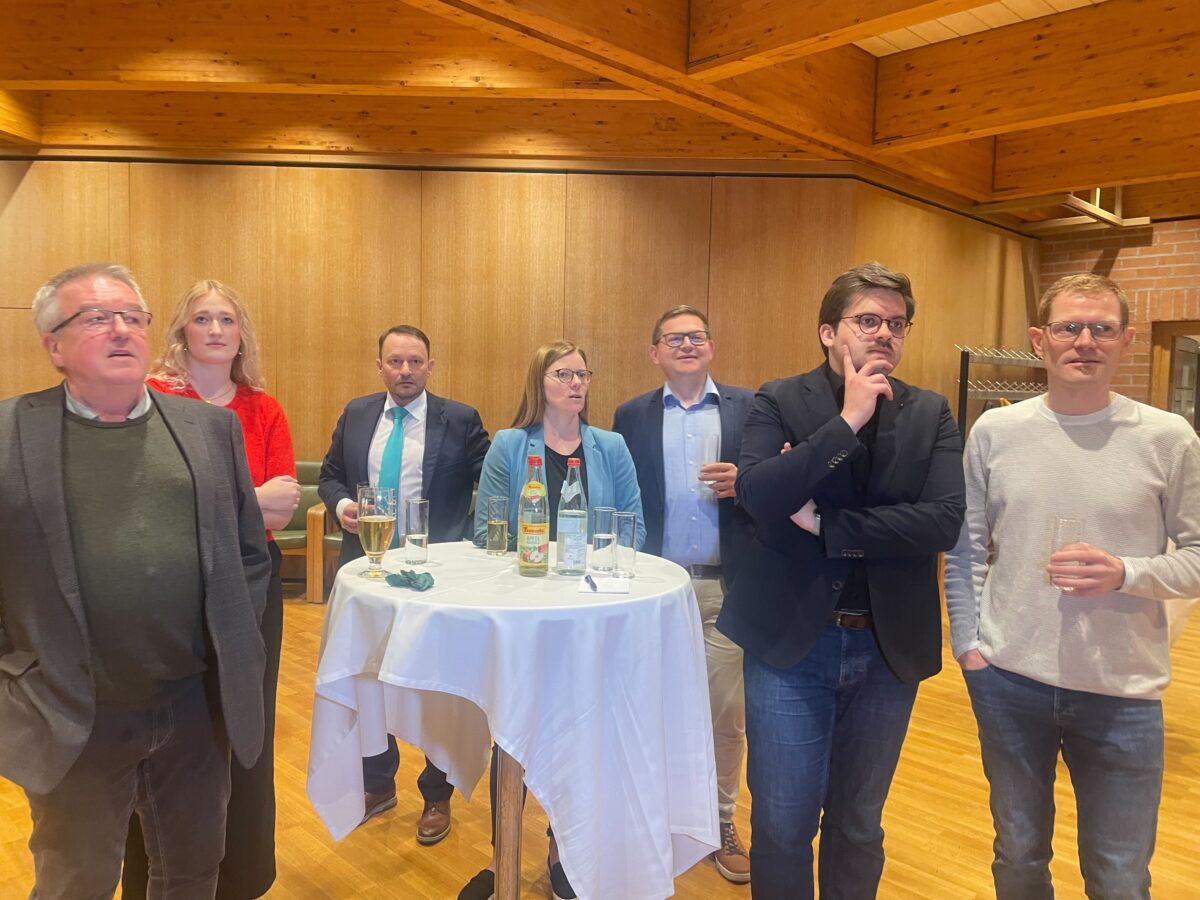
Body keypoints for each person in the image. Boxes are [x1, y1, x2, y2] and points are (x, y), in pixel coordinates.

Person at [0, 262, 270, 897]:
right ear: (54, 346)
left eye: (132, 316)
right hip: (70, 710)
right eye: (97, 318)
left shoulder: (210, 429)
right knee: (77, 881)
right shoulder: (7, 434)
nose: (121, 329)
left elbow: (249, 555)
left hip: (196, 709)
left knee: (192, 873)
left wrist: (233, 645)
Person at [945, 273, 1200, 899]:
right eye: (1069, 328)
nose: (1085, 341)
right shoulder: (995, 432)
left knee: (1119, 876)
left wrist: (1127, 572)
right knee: (1018, 857)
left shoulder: (1169, 438)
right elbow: (966, 548)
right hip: (1009, 681)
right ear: (1040, 340)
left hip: (1122, 691)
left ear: (1126, 341)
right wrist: (968, 646)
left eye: (1102, 328)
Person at [718, 262, 966, 899]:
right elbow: (758, 494)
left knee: (858, 825)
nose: (884, 333)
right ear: (829, 332)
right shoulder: (779, 399)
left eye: (897, 324)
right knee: (782, 824)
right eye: (868, 320)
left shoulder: (931, 412)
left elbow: (942, 522)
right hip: (790, 645)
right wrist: (846, 422)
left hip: (887, 648)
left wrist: (826, 523)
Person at [122, 279, 300, 899]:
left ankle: (240, 878)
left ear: (241, 334)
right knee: (166, 733)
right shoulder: (150, 401)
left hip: (251, 585)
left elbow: (284, 507)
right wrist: (249, 498)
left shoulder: (263, 409)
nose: (216, 329)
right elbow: (148, 505)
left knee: (246, 727)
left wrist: (211, 501)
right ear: (182, 331)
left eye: (227, 318)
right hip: (169, 586)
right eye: (203, 318)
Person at [461, 339, 645, 900]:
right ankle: (503, 855)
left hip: (590, 613)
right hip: (526, 611)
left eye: (582, 374)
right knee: (512, 734)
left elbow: (634, 528)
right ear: (539, 381)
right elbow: (487, 530)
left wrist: (584, 564)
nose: (576, 384)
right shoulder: (509, 445)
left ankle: (564, 849)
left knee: (582, 732)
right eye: (563, 374)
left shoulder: (611, 446)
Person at [318, 324, 490, 840]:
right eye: (395, 361)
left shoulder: (460, 419)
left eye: (415, 361)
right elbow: (329, 475)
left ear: (431, 367)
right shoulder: (357, 413)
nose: (406, 370)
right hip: (368, 572)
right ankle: (377, 782)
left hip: (437, 579)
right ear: (380, 367)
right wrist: (342, 506)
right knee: (370, 675)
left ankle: (437, 794)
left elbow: (492, 480)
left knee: (436, 684)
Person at [612, 305, 754, 884]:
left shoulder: (751, 408)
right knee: (649, 707)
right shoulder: (631, 415)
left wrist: (746, 483)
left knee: (726, 714)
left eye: (697, 336)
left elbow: (777, 485)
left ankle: (721, 820)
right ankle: (655, 816)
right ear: (655, 353)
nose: (687, 345)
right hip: (656, 589)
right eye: (674, 338)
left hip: (728, 584)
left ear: (712, 346)